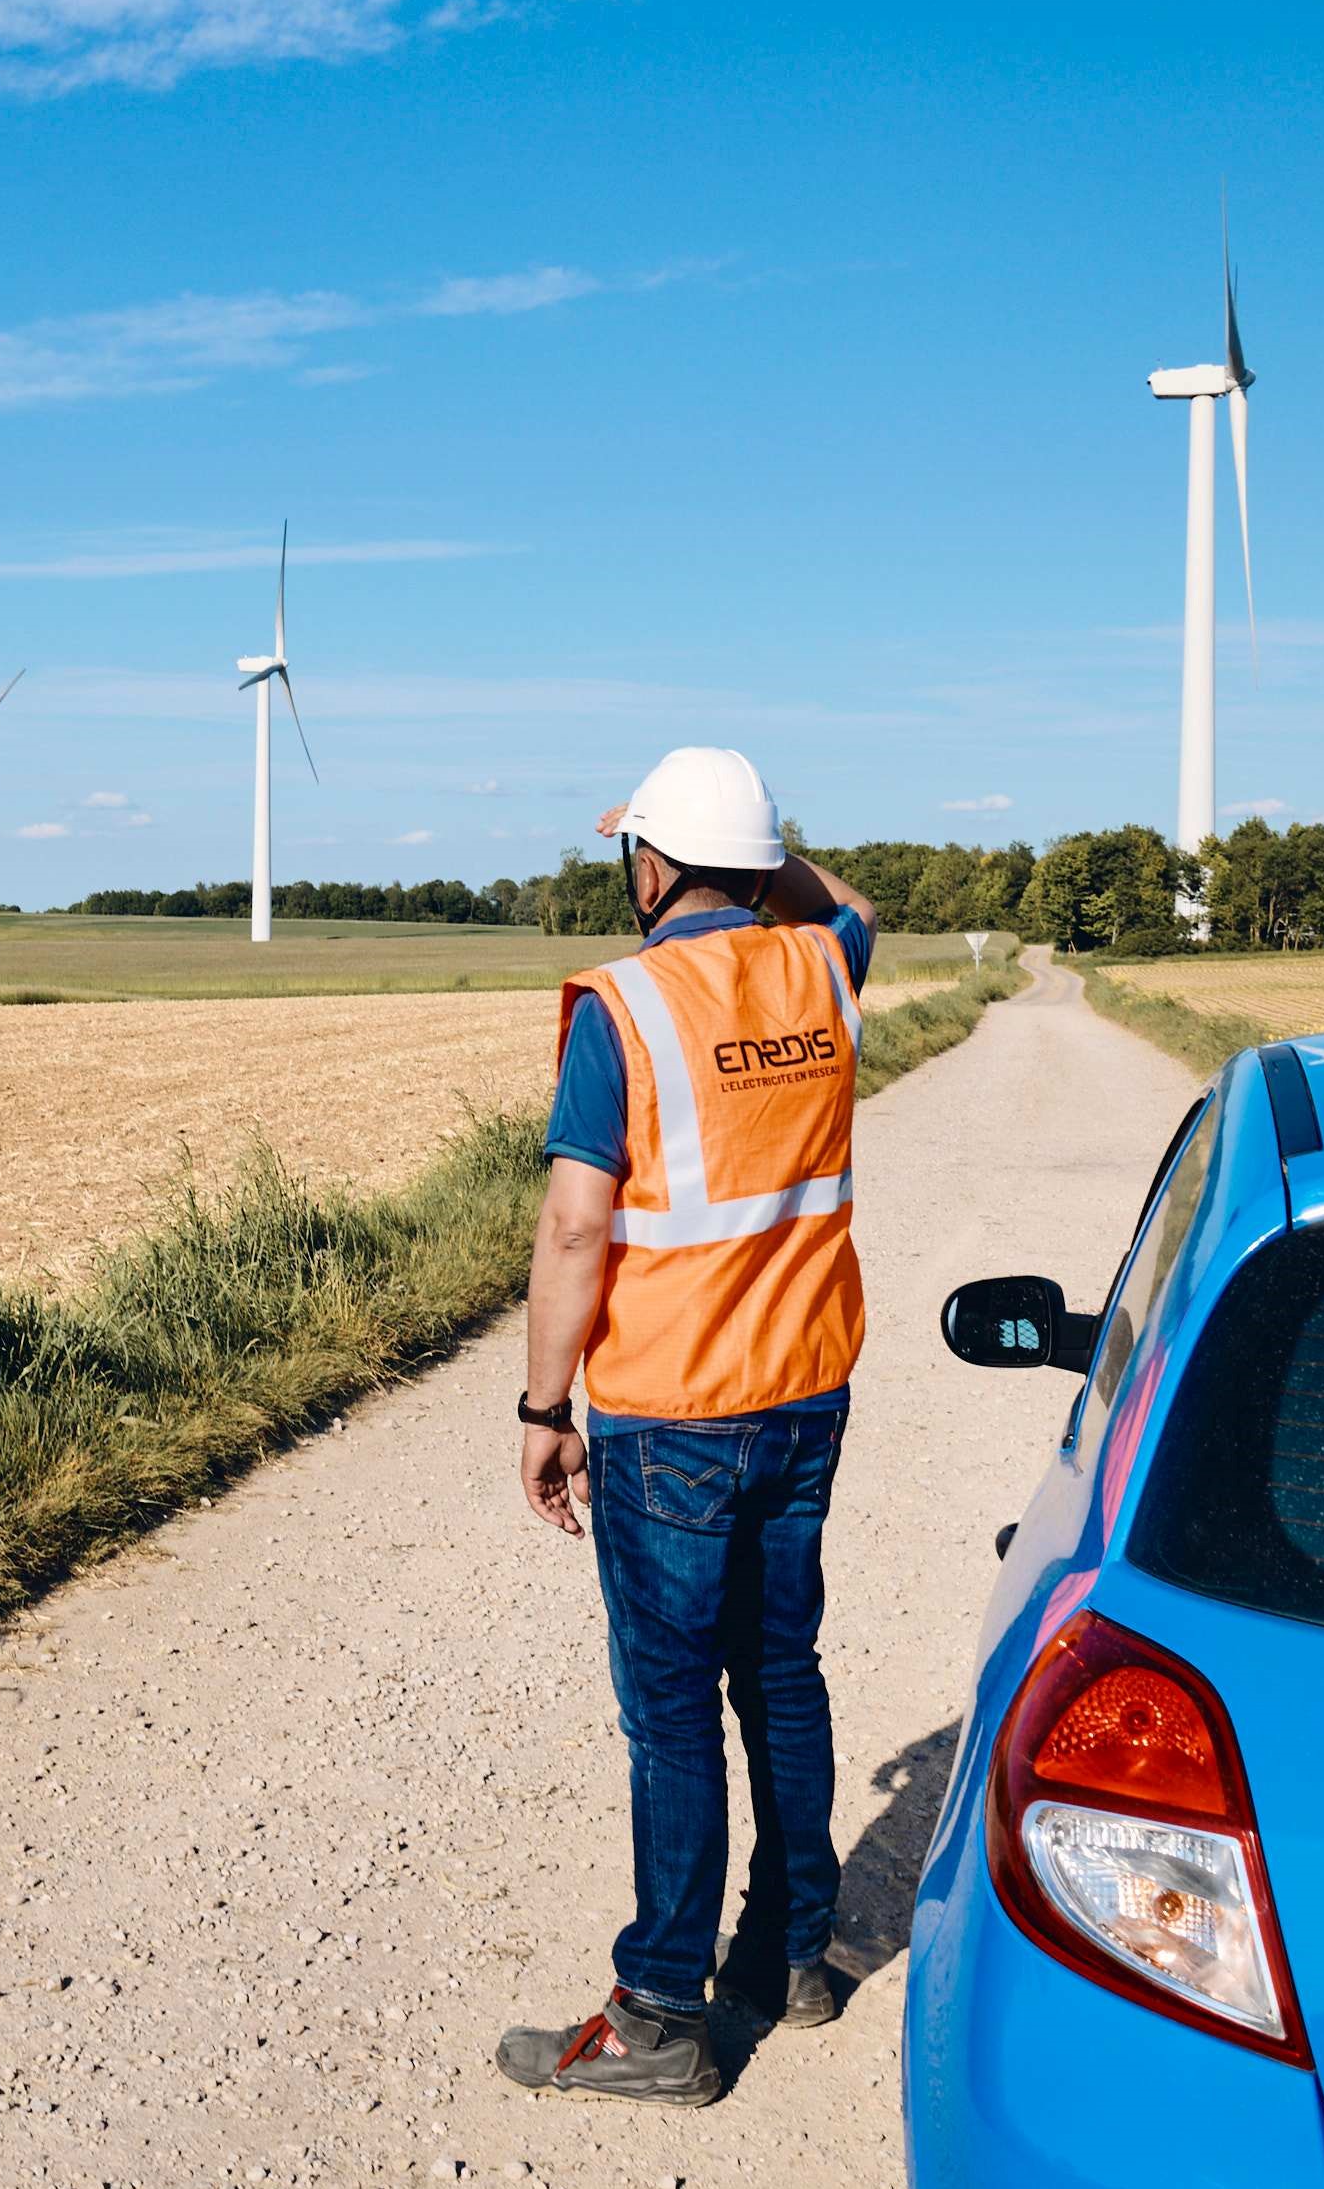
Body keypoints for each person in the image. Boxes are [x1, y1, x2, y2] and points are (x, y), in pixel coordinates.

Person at [492, 746, 878, 2109]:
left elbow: (573, 1222)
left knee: (669, 1716)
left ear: (647, 867)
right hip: (804, 1391)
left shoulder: (626, 1005)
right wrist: (760, 844)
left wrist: (545, 1408)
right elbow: (853, 906)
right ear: (762, 859)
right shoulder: (822, 965)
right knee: (778, 1673)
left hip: (670, 1411)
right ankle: (788, 1958)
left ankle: (660, 2014)